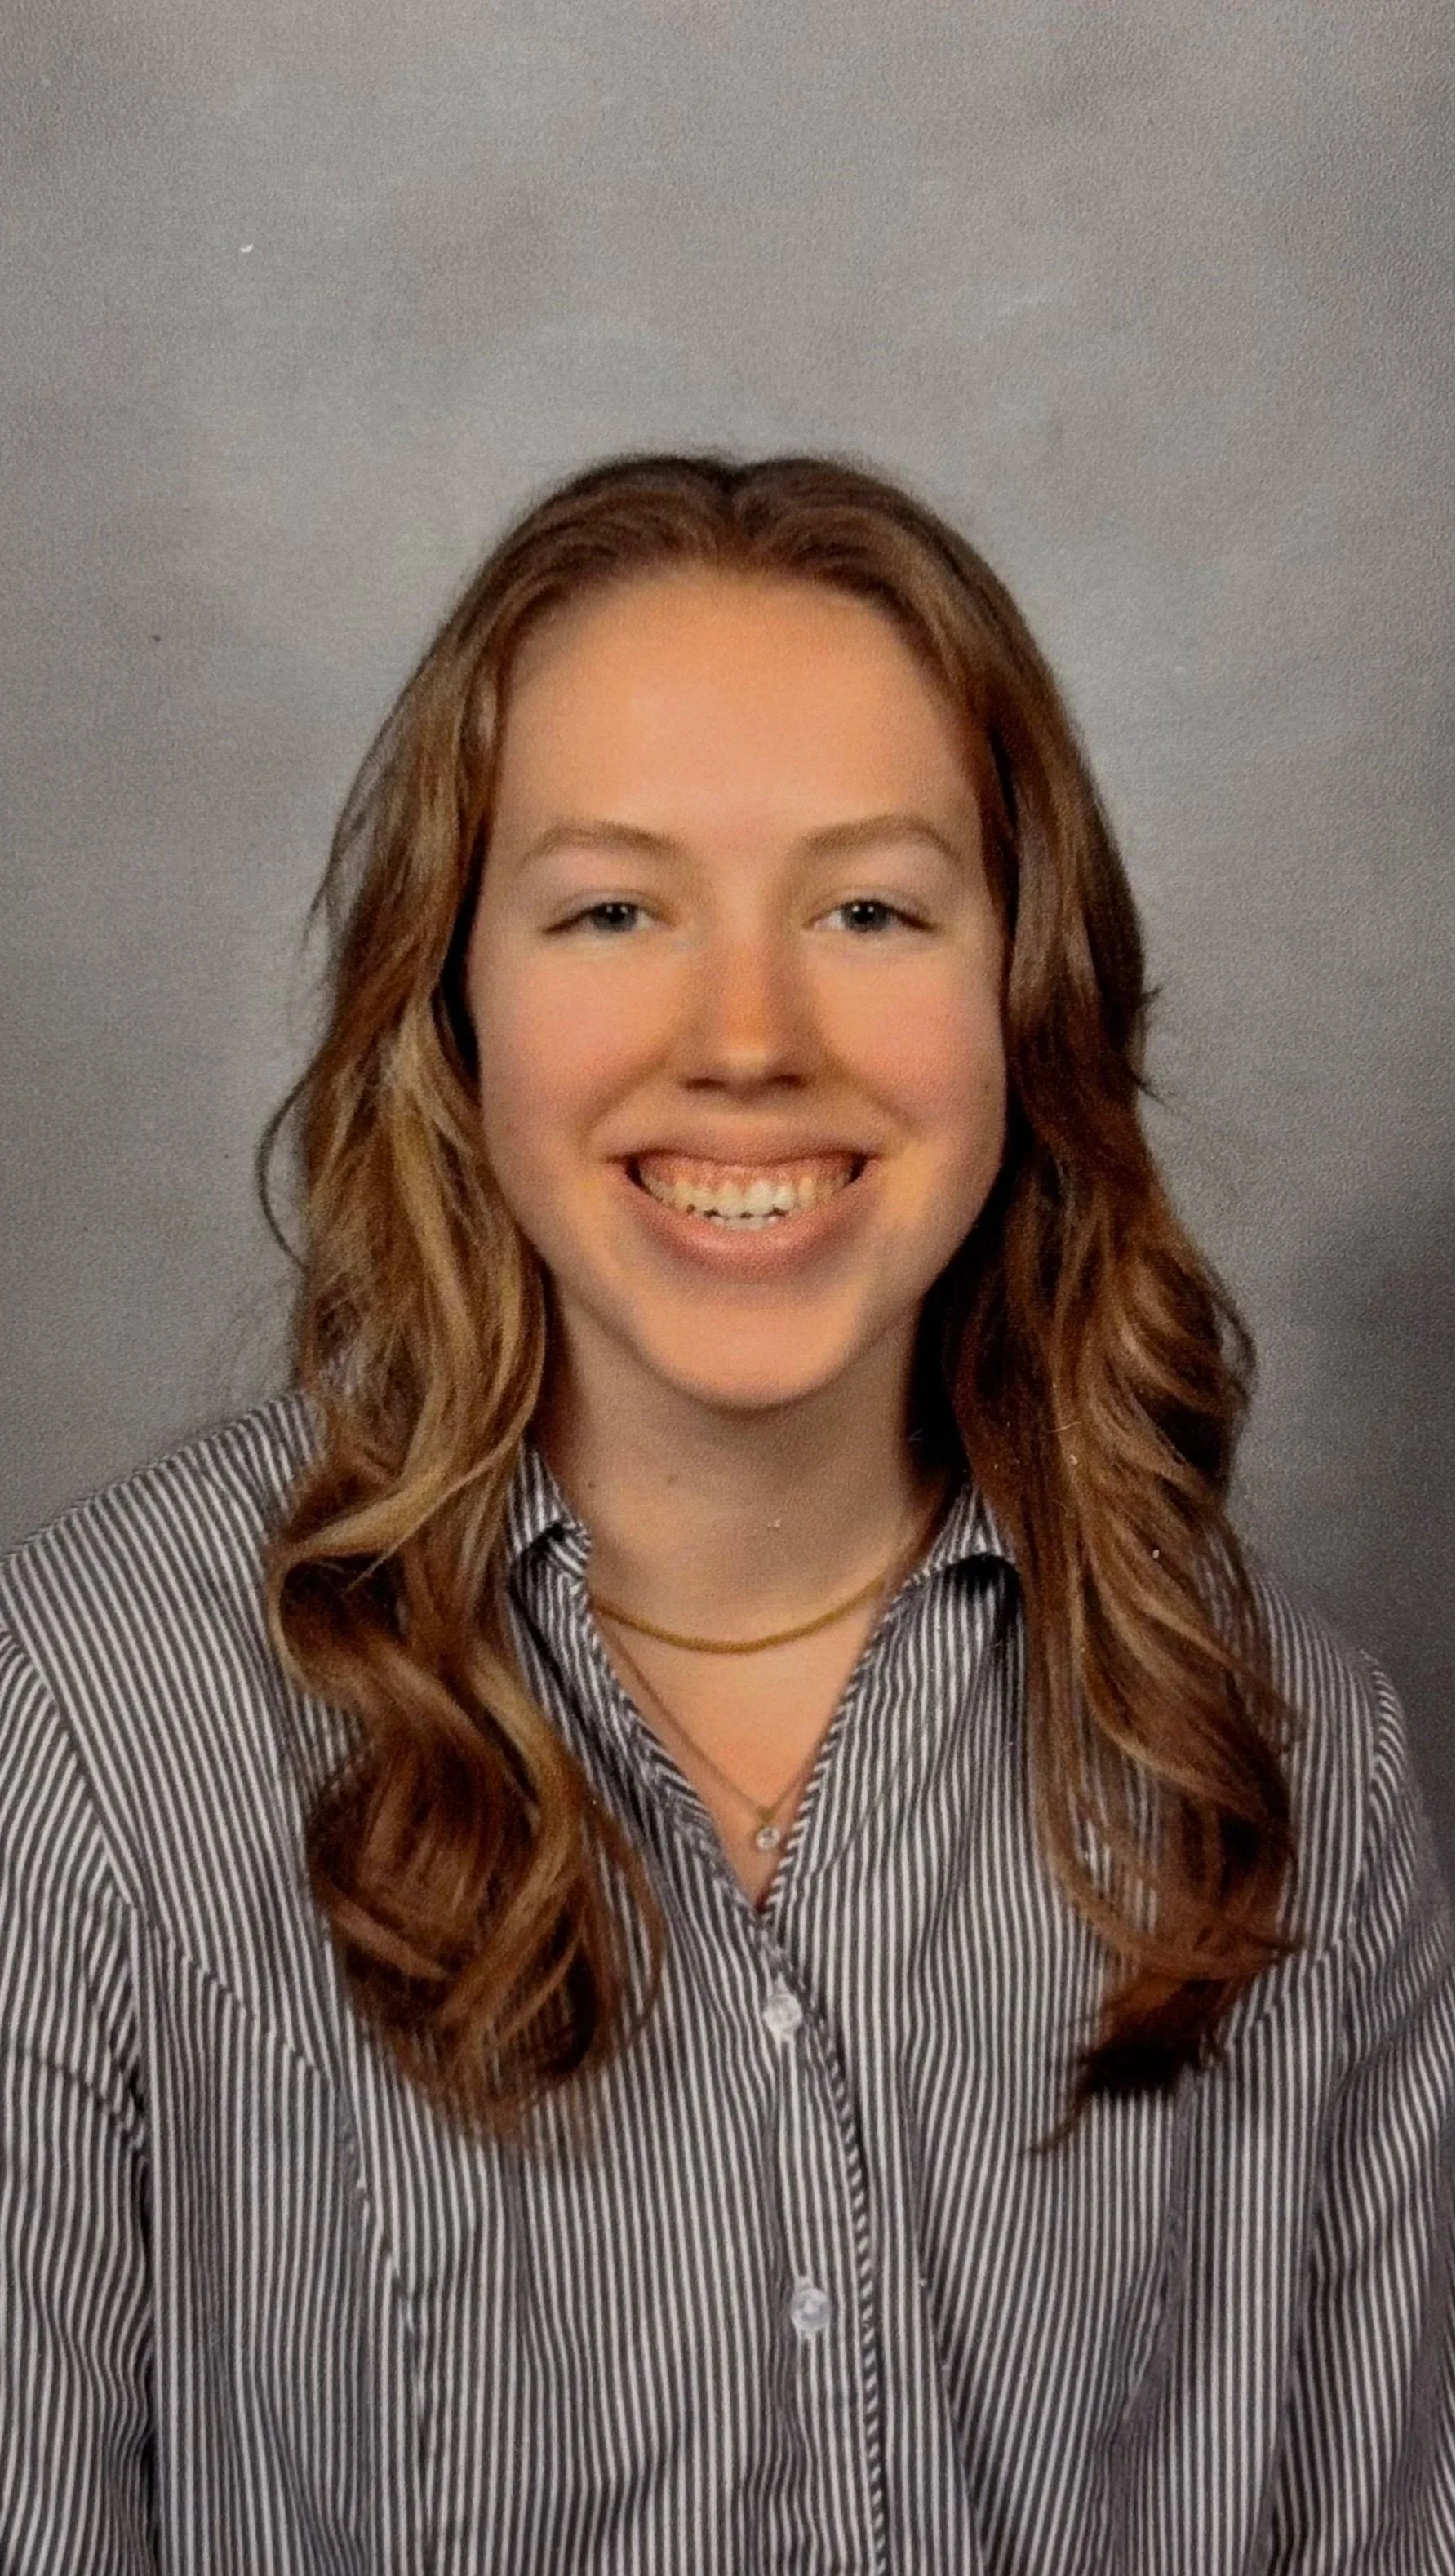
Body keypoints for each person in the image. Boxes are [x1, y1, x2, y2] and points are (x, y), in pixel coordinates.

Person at [0, 453, 1449, 2575]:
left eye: (871, 909)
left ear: (1027, 989)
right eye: (613, 908)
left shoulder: (1302, 1766)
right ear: (453, 995)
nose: (749, 1040)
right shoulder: (85, 1733)